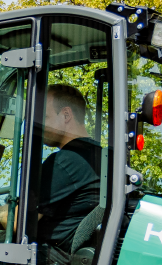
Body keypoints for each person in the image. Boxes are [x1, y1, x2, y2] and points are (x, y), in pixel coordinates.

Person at [28, 83, 105, 249]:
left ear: (66, 115)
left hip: (48, 257)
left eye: (44, 117)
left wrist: (0, 214)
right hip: (70, 254)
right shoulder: (103, 157)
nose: (38, 125)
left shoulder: (65, 162)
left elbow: (17, 222)